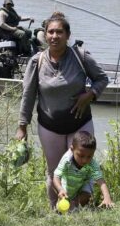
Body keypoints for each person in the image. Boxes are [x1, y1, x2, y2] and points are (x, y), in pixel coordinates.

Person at [16, 12, 109, 209]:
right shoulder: (37, 61)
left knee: (83, 169)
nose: (54, 36)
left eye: (59, 32)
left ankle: (77, 208)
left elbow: (102, 79)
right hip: (49, 126)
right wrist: (22, 126)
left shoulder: (81, 56)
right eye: (50, 32)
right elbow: (28, 95)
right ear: (45, 34)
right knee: (54, 171)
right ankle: (54, 209)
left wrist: (90, 94)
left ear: (68, 35)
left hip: (80, 124)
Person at [53, 131, 114, 211]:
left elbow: (100, 181)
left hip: (84, 181)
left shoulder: (92, 163)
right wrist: (60, 189)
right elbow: (56, 176)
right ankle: (65, 209)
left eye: (89, 156)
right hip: (67, 183)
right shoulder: (66, 160)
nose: (85, 160)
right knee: (63, 205)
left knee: (85, 196)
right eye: (81, 156)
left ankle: (77, 209)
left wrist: (107, 197)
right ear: (72, 149)